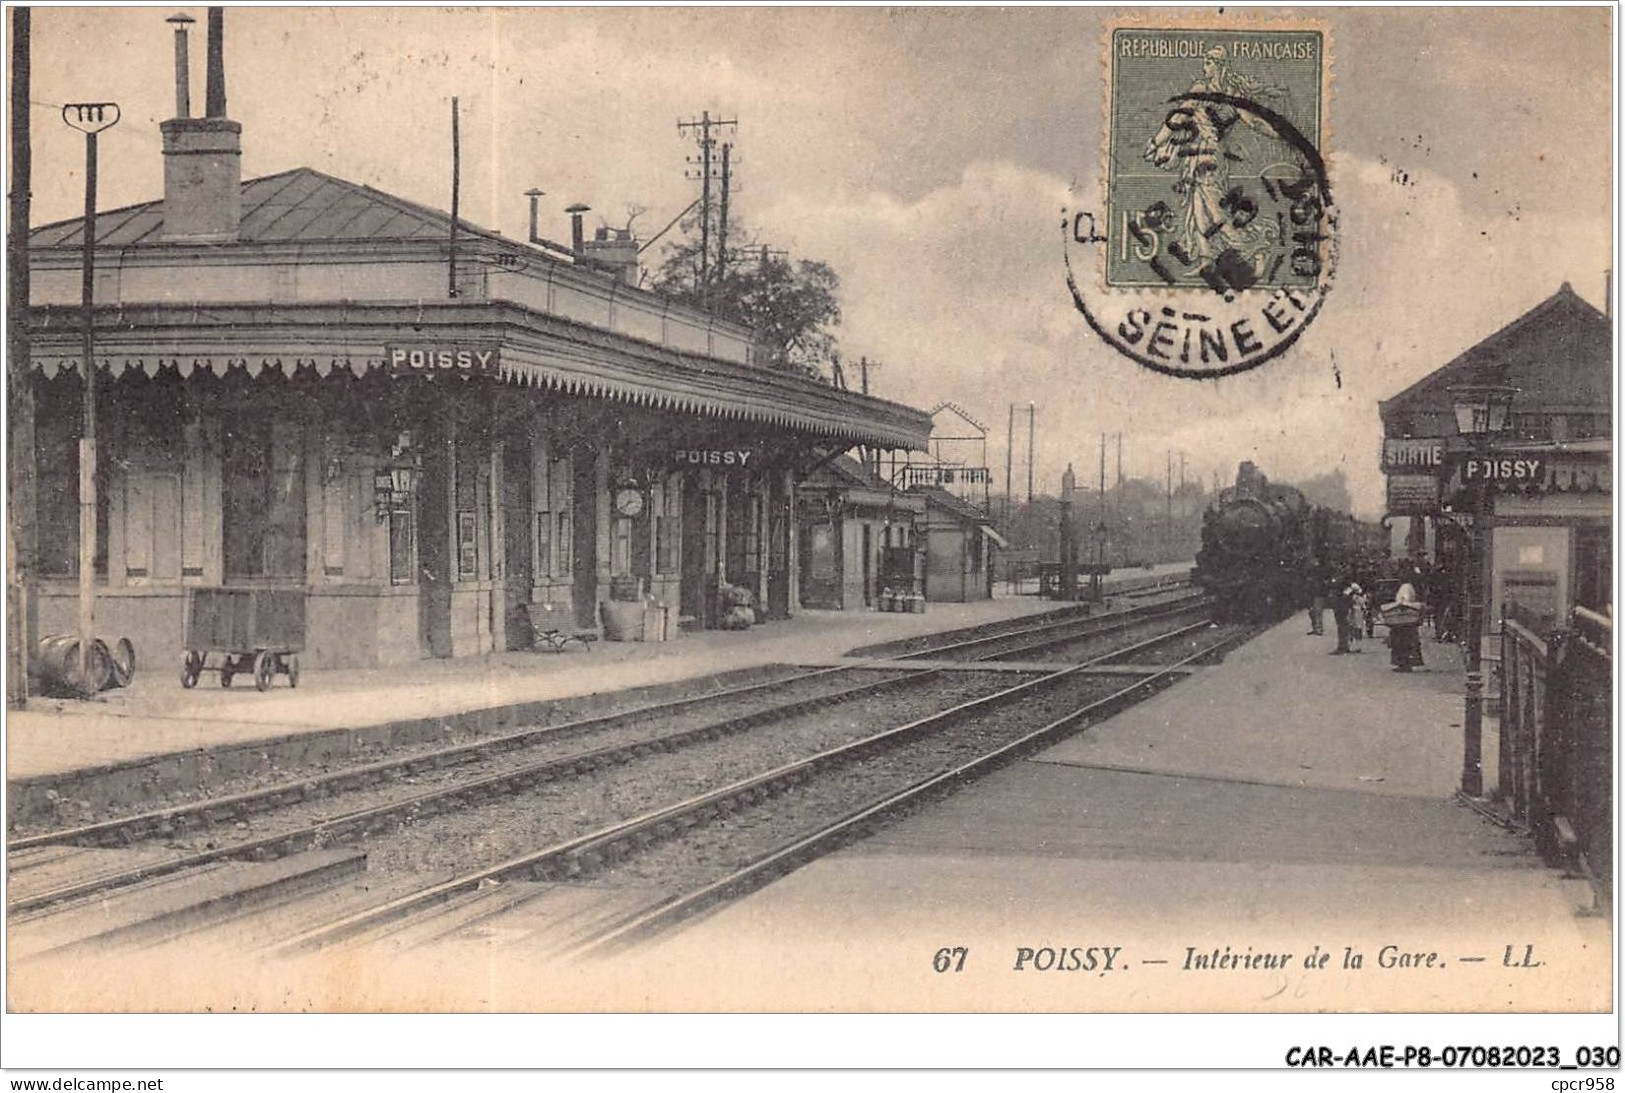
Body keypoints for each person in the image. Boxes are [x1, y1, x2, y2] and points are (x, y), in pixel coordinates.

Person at [1388, 568, 1425, 672]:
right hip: (1407, 618)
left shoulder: (1405, 587)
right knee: (1406, 641)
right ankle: (1405, 663)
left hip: (1403, 618)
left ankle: (1404, 664)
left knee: (1401, 641)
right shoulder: (1409, 587)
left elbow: (1405, 601)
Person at [1329, 572, 1354, 654]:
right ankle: (1344, 645)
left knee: (1342, 623)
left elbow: (1350, 586)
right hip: (1340, 600)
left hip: (1342, 600)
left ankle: (1343, 646)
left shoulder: (1346, 572)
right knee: (1342, 623)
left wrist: (1344, 595)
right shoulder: (1342, 572)